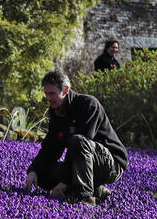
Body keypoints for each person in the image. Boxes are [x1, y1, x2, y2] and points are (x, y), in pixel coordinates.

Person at [24, 70, 127, 204]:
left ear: (65, 90)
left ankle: (85, 198)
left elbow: (82, 143)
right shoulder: (56, 111)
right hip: (82, 163)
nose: (48, 98)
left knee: (78, 141)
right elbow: (50, 148)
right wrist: (33, 170)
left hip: (110, 164)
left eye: (52, 93)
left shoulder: (88, 104)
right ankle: (97, 191)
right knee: (42, 174)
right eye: (46, 93)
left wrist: (64, 181)